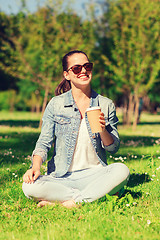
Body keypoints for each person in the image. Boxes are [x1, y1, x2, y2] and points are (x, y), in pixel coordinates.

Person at [22, 50, 130, 208]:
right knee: (28, 186)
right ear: (67, 75)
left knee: (122, 171)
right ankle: (91, 195)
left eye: (87, 66)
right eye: (77, 68)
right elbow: (44, 142)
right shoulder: (55, 104)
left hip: (95, 173)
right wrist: (35, 167)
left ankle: (68, 202)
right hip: (61, 177)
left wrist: (102, 130)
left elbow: (113, 148)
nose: (84, 71)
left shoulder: (105, 104)